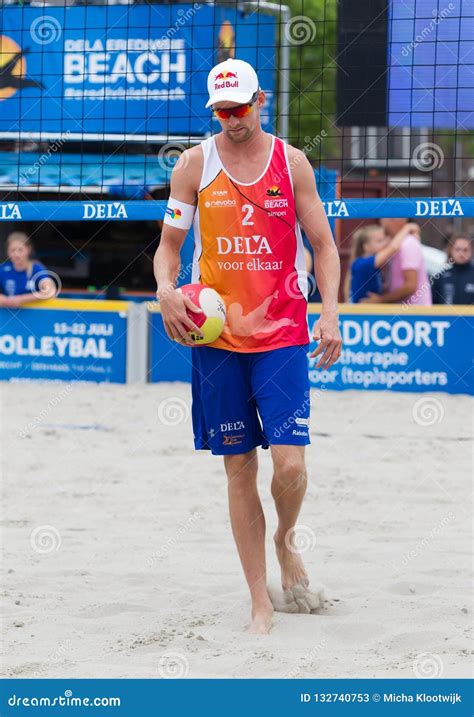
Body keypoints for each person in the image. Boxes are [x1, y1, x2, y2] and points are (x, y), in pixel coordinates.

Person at [153, 58, 342, 635]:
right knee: (239, 468)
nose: (231, 119)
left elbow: (325, 246)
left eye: (240, 108)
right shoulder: (193, 164)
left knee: (289, 463)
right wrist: (164, 289)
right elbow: (168, 248)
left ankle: (287, 540)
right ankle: (260, 600)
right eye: (221, 111)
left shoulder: (292, 163)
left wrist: (330, 312)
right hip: (217, 337)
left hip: (282, 330)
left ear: (261, 100)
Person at [361, 218, 432, 305]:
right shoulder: (394, 243)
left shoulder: (408, 243)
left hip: (414, 313)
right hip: (401, 312)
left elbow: (411, 286)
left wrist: (380, 300)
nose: (381, 223)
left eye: (385, 219)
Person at [347, 222, 420, 303]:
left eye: (385, 239)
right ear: (366, 247)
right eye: (379, 241)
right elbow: (393, 248)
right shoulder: (364, 263)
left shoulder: (371, 264)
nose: (385, 243)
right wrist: (407, 228)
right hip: (360, 311)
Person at [0, 231, 57, 308]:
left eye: (20, 250)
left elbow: (50, 291)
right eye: (12, 250)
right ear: (8, 252)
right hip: (7, 317)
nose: (16, 254)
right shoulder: (3, 269)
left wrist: (22, 299)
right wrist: (3, 299)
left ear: (28, 250)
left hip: (34, 317)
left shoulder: (36, 268)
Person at [432, 236, 474, 305]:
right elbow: (433, 304)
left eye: (465, 250)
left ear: (471, 252)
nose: (461, 253)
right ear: (451, 251)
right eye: (457, 249)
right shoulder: (441, 277)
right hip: (446, 315)